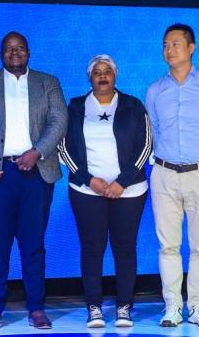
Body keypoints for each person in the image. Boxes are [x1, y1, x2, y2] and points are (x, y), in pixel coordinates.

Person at [0, 31, 67, 331]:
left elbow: (59, 120)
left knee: (33, 245)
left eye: (20, 48)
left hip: (35, 173)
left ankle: (36, 307)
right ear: (1, 54)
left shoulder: (47, 82)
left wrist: (37, 152)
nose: (14, 53)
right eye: (8, 49)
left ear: (28, 53)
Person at [145, 23, 199, 327]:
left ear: (191, 47)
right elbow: (152, 131)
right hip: (164, 172)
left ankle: (197, 307)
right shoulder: (155, 89)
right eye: (166, 44)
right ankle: (172, 307)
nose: (169, 49)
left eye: (176, 44)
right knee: (167, 245)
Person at [58, 54, 151, 328]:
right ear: (90, 77)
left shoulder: (133, 105)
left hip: (129, 191)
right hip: (87, 191)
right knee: (92, 249)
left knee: (124, 248)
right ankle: (94, 307)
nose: (102, 75)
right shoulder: (75, 107)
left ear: (115, 75)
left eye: (107, 71)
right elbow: (64, 147)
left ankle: (124, 307)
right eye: (97, 71)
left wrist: (122, 181)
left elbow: (145, 146)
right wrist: (90, 180)